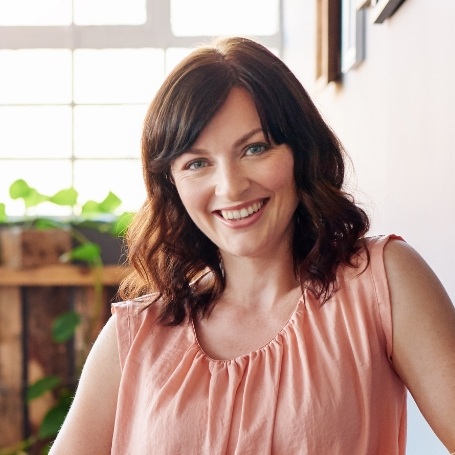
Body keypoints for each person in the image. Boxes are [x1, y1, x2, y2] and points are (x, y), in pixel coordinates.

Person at [49, 36, 455, 454]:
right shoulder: (134, 335)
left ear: (301, 151)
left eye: (255, 148)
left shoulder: (383, 283)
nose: (231, 186)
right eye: (197, 162)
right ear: (172, 184)